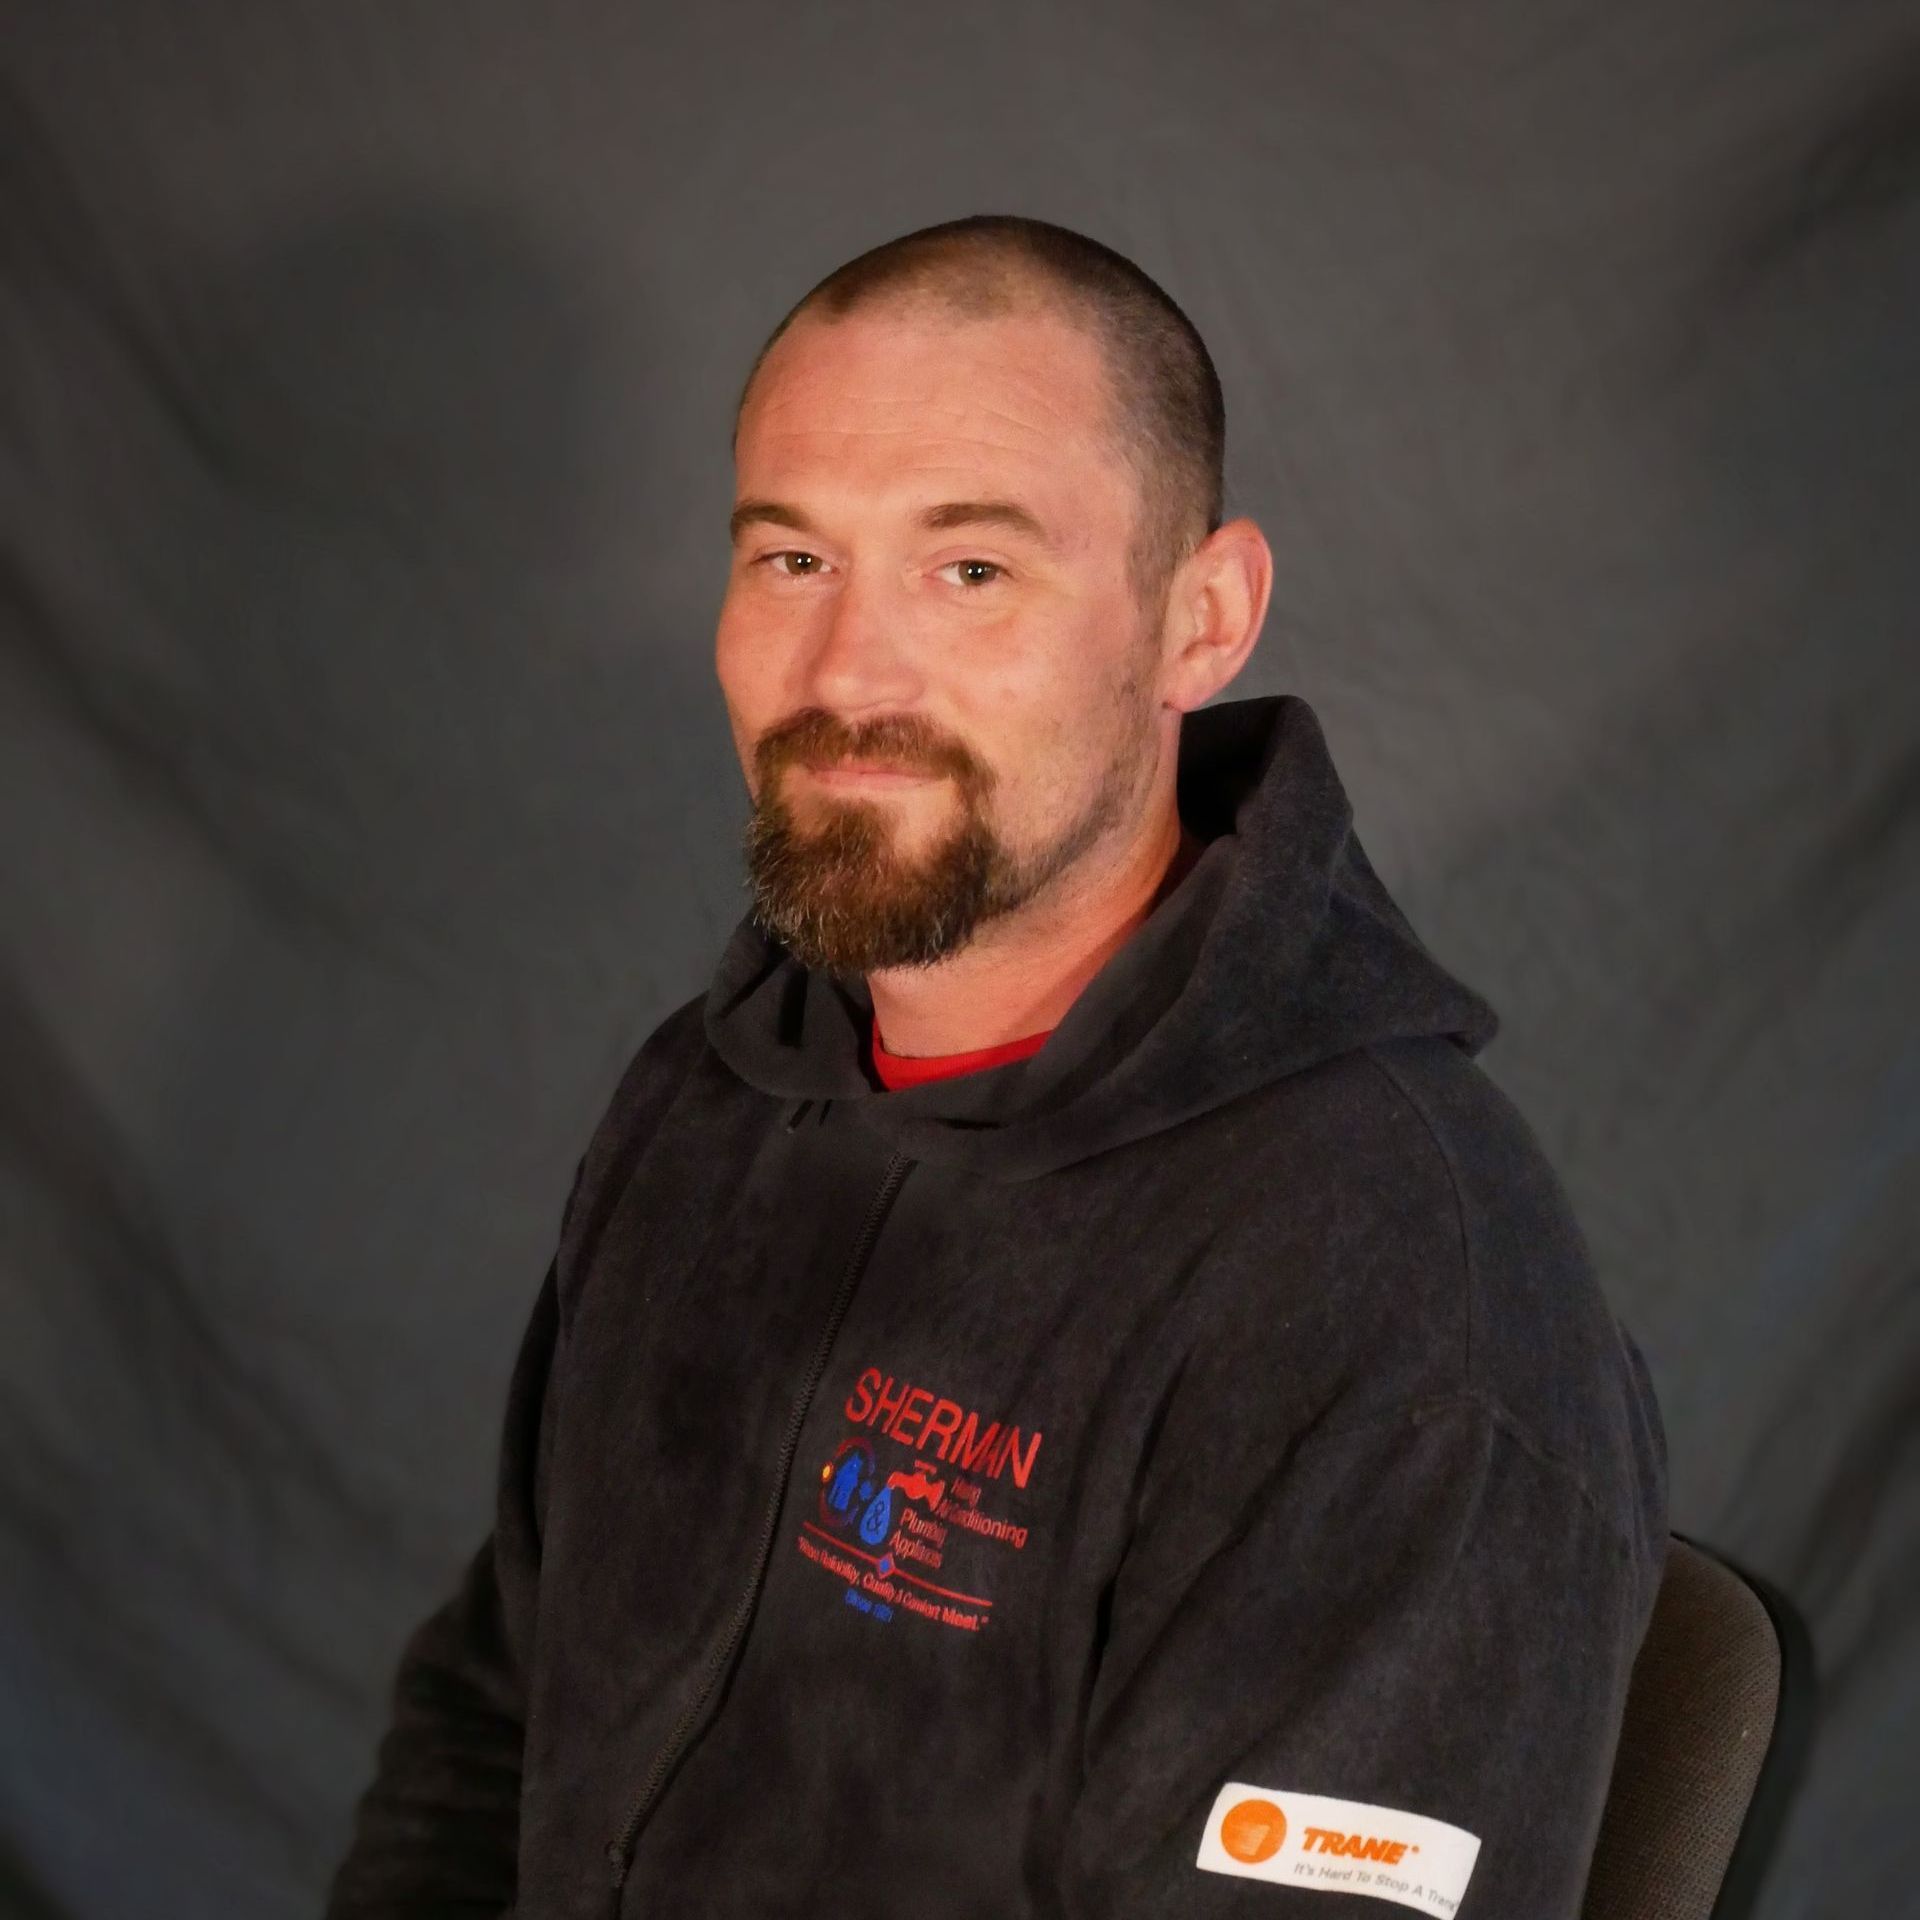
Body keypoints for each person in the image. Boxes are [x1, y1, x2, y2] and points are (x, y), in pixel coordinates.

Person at [324, 212, 1668, 1920]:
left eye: (971, 569)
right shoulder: (710, 1103)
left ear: (1202, 620)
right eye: (791, 560)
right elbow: (495, 1721)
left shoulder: (1399, 1292)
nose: (846, 673)